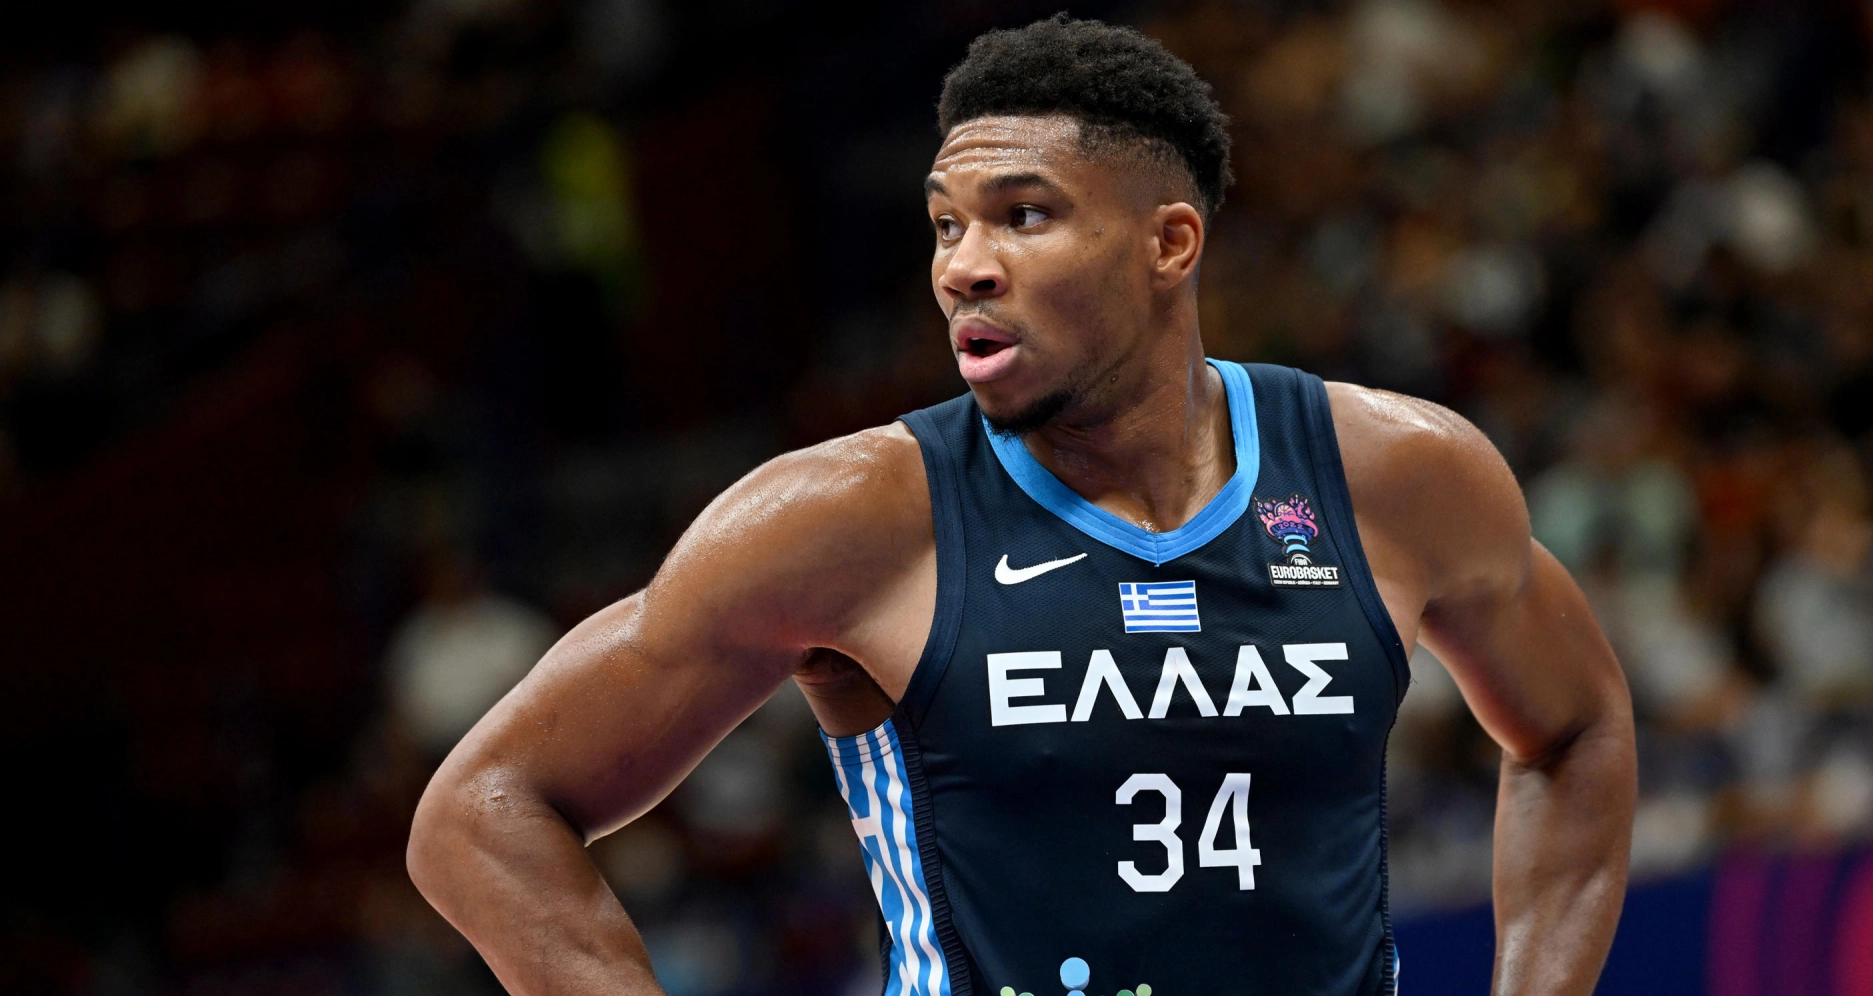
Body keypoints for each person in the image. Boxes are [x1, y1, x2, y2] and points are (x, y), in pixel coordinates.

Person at [407, 16, 1635, 996]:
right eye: (946, 224)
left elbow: (1577, 730)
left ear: (1169, 243)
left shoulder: (1397, 475)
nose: (963, 266)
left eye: (1023, 216)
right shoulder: (847, 516)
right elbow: (481, 814)